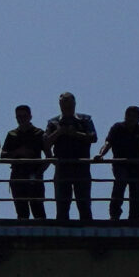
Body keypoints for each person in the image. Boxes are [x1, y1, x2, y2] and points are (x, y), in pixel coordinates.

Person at [99, 107, 139, 221]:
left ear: (138, 119)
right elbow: (107, 143)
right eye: (128, 116)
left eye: (133, 117)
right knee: (120, 185)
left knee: (137, 191)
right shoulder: (117, 128)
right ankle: (114, 215)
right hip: (120, 164)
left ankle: (135, 217)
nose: (130, 119)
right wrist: (101, 155)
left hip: (137, 165)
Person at [48, 92, 99, 223]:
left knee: (84, 204)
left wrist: (74, 134)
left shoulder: (85, 120)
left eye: (68, 102)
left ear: (74, 104)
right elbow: (45, 143)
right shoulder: (54, 122)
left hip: (81, 167)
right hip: (62, 167)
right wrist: (59, 132)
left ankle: (88, 232)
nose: (66, 106)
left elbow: (93, 137)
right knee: (62, 205)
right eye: (63, 103)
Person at [3, 106, 48, 221]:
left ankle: (43, 236)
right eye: (19, 116)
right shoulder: (12, 134)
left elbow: (49, 157)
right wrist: (17, 152)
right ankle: (22, 237)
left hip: (34, 176)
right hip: (18, 176)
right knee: (21, 212)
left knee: (38, 211)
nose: (22, 119)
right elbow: (3, 156)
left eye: (24, 116)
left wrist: (39, 173)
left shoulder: (39, 133)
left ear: (30, 117)